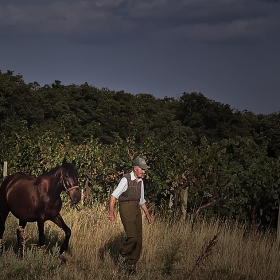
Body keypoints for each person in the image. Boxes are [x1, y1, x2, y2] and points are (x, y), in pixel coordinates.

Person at [108, 157, 153, 274]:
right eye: (142, 169)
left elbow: (142, 200)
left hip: (136, 208)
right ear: (135, 168)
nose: (144, 172)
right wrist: (111, 212)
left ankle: (131, 266)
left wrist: (147, 214)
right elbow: (113, 196)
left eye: (144, 170)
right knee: (132, 237)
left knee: (139, 240)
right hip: (126, 208)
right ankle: (122, 255)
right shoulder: (126, 179)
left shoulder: (141, 181)